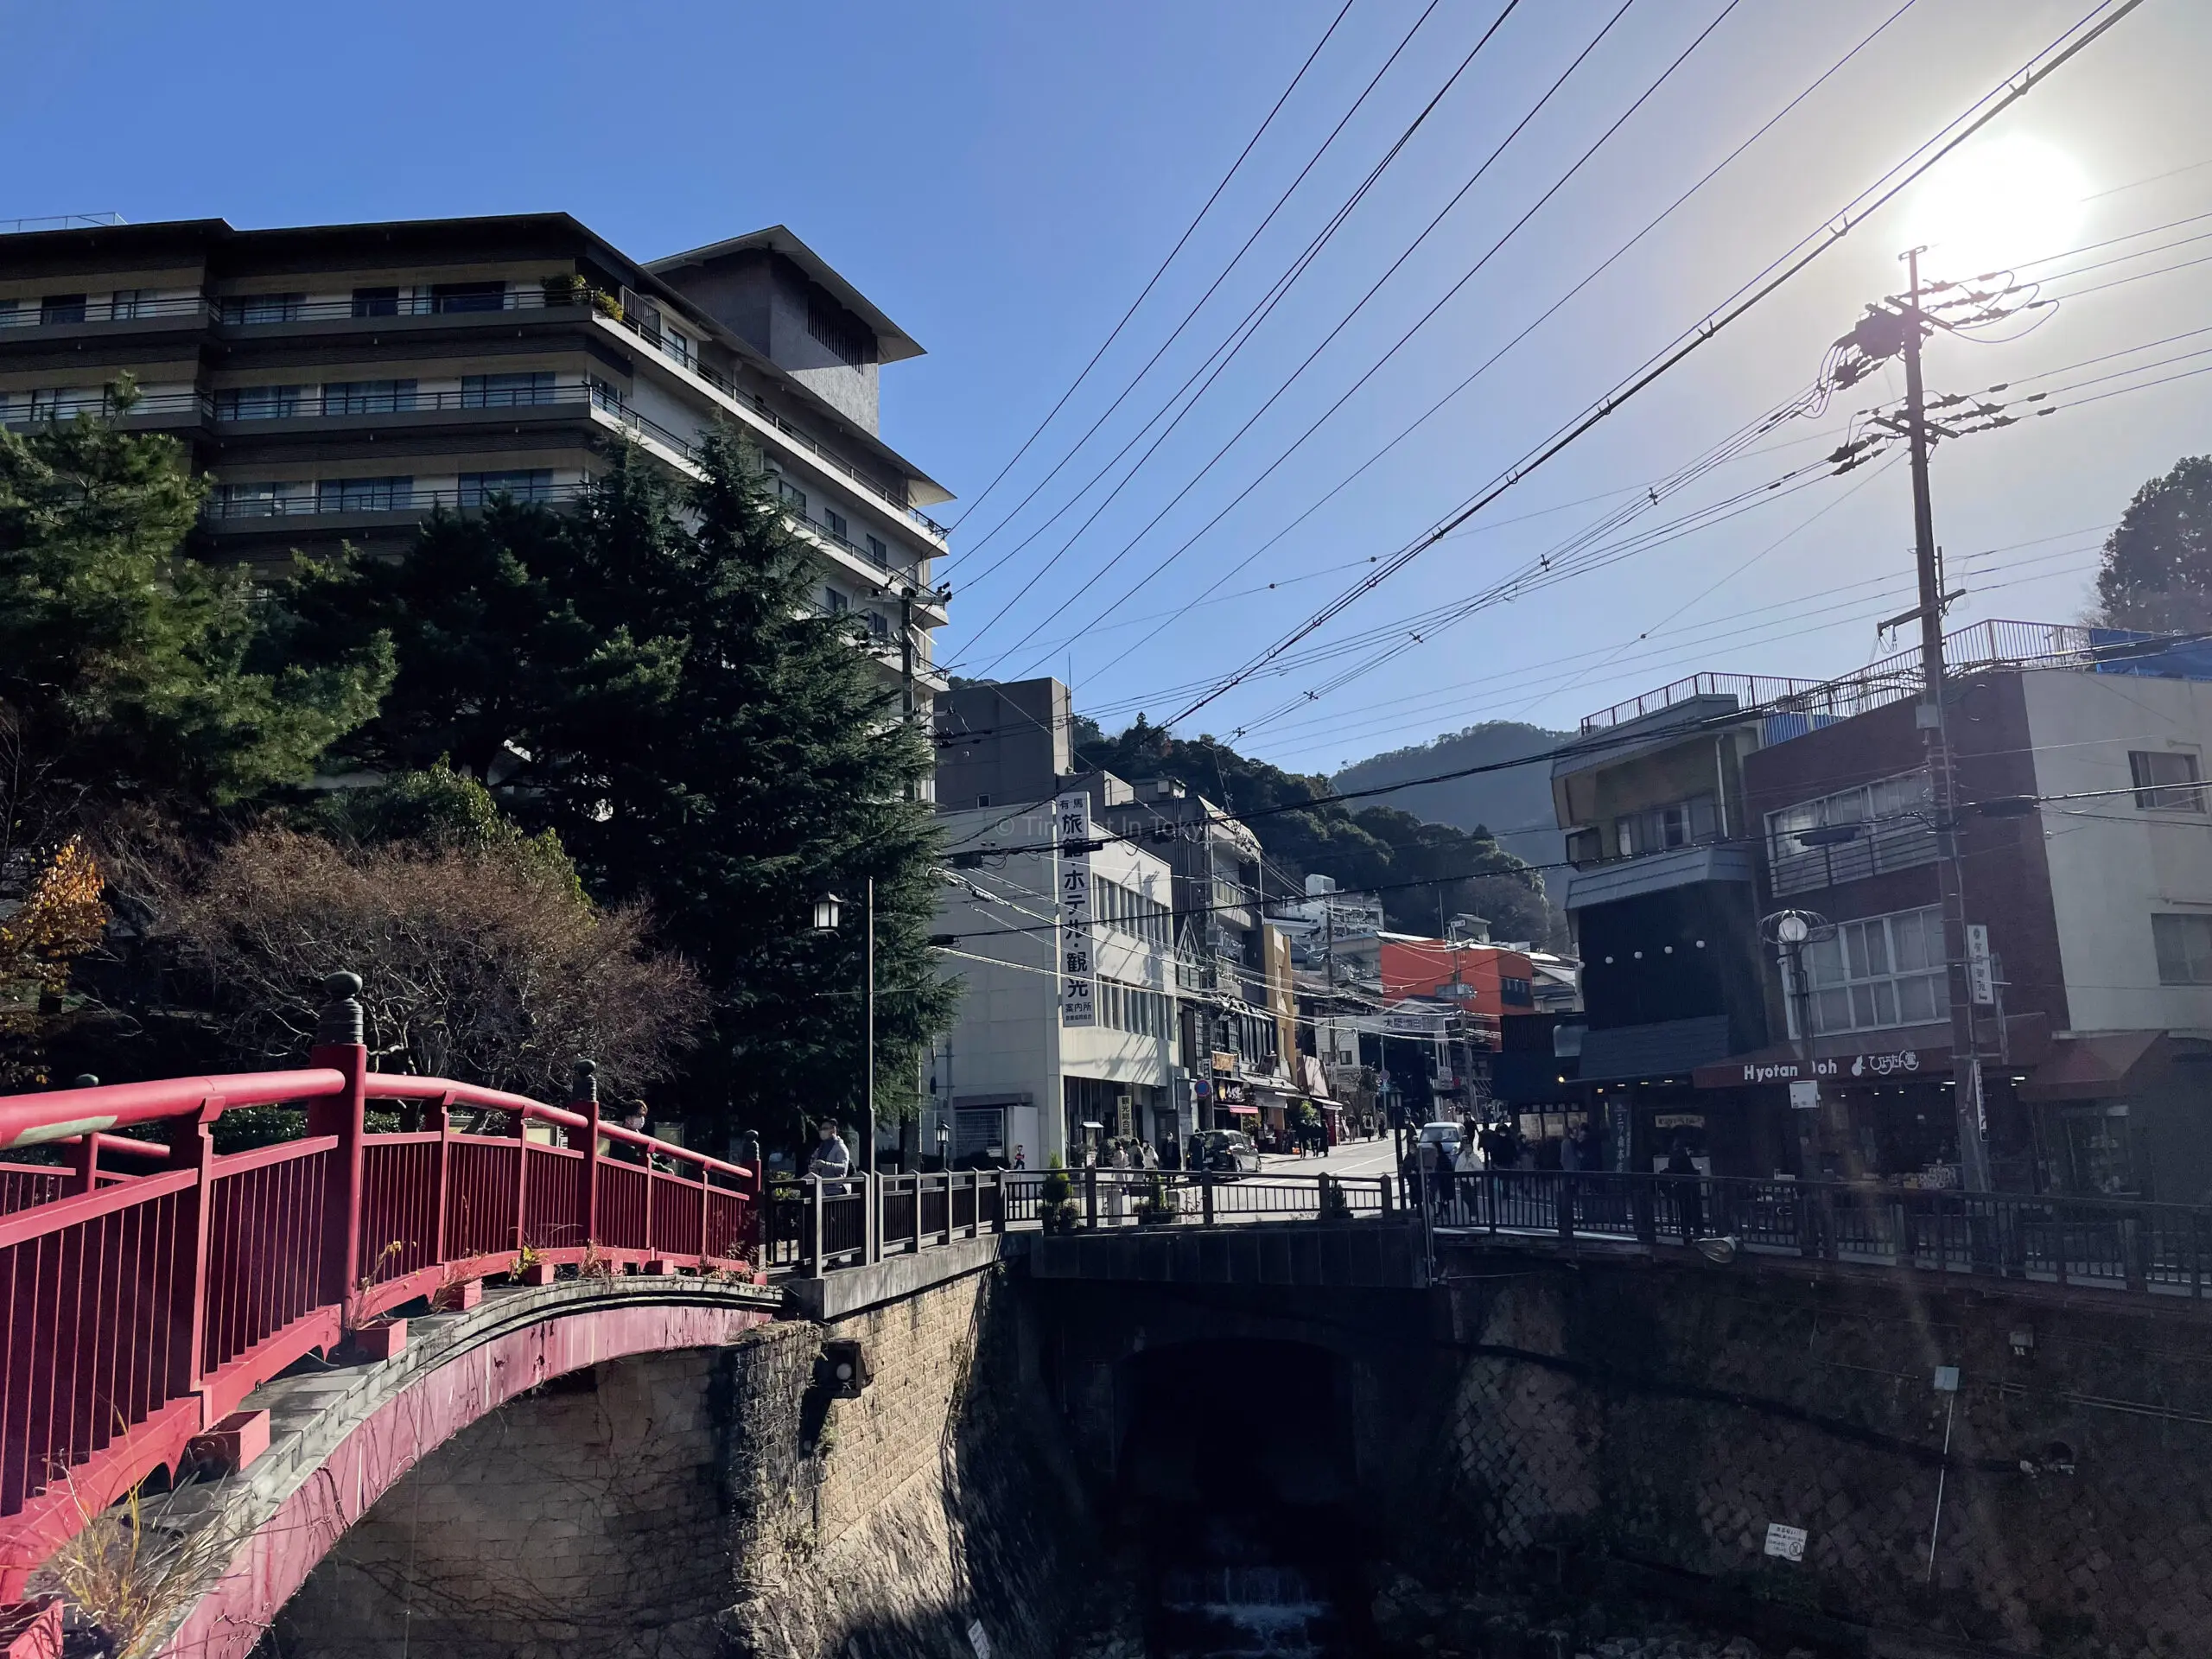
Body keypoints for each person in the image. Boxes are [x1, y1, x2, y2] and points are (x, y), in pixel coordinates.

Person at [1665, 1136, 1703, 1241]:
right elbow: (1688, 1169)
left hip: (1680, 1186)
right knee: (1690, 1211)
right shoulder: (1682, 1156)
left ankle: (1686, 1235)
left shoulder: (1673, 1155)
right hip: (1687, 1187)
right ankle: (1695, 1233)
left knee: (1684, 1212)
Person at [809, 1120, 853, 1188]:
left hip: (834, 1188)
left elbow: (843, 1168)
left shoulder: (840, 1147)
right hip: (819, 1186)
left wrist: (825, 1164)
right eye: (820, 1129)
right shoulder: (820, 1148)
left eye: (825, 1129)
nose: (822, 1131)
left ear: (833, 1130)